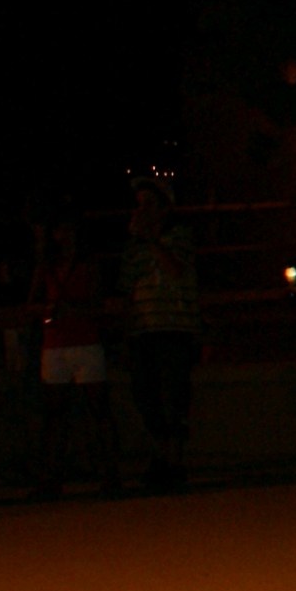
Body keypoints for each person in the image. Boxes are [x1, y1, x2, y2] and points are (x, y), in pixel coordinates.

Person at [121, 180, 202, 489]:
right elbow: (127, 285)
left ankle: (175, 461)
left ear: (165, 209)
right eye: (139, 204)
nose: (142, 210)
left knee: (174, 395)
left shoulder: (180, 236)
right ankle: (159, 457)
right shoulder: (134, 246)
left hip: (174, 327)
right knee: (147, 396)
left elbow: (176, 270)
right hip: (144, 329)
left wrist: (152, 240)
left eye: (149, 204)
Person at [28, 218, 118, 497]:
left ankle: (110, 474)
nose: (64, 236)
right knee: (55, 414)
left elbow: (98, 303)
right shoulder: (47, 267)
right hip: (56, 344)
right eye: (60, 230)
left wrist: (74, 310)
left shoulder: (88, 265)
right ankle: (52, 476)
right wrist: (49, 311)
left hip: (85, 342)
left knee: (98, 409)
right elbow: (31, 304)